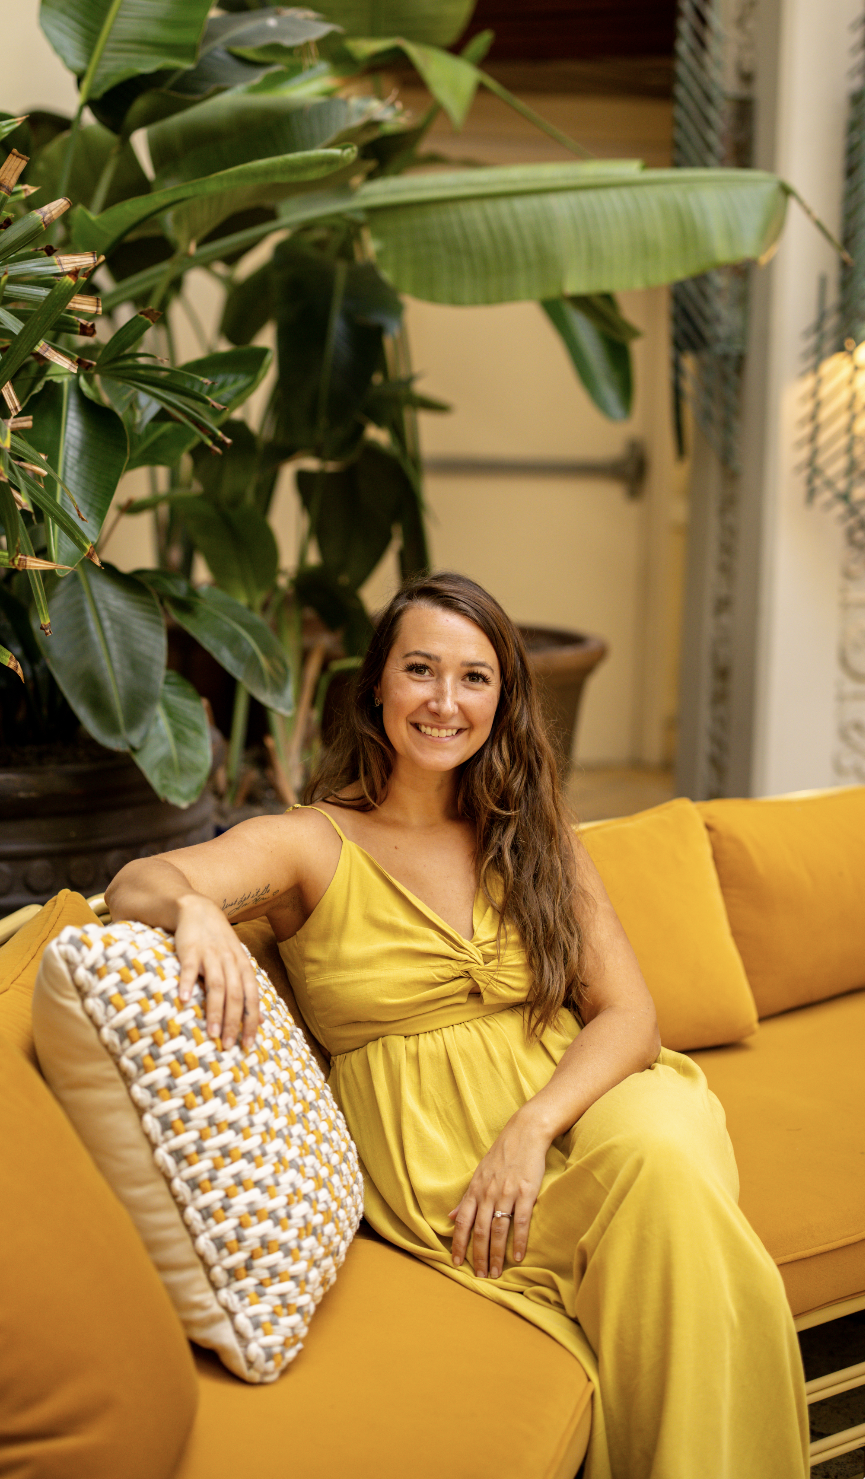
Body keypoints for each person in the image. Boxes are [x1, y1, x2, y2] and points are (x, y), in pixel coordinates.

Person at [107, 570, 808, 1479]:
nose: (446, 701)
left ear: (503, 699)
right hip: (443, 1167)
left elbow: (630, 1017)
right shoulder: (314, 845)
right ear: (378, 689)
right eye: (421, 671)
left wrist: (532, 1128)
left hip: (590, 1107)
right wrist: (196, 914)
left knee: (664, 1158)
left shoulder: (532, 832)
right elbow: (137, 885)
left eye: (475, 677)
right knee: (676, 1221)